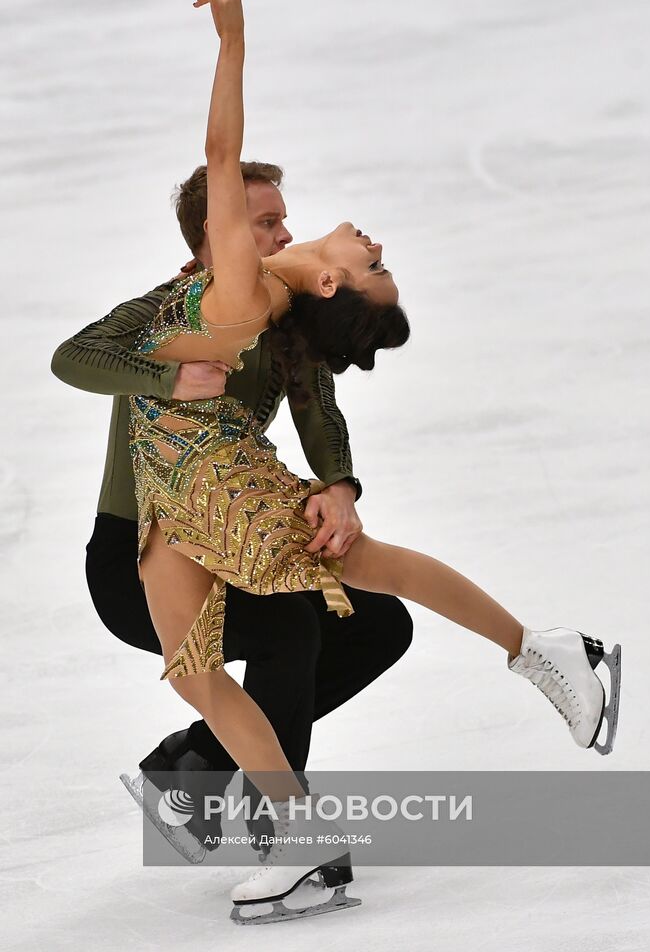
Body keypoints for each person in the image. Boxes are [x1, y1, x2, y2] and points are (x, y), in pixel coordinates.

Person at [105, 0, 619, 920]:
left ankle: (544, 649)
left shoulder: (241, 290)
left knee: (368, 569)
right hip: (168, 502)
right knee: (199, 674)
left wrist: (231, 41)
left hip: (218, 485)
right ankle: (303, 842)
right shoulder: (267, 298)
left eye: (370, 263)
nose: (367, 240)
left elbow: (220, 152)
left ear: (333, 286)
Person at [51, 160, 414, 868]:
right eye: (265, 222)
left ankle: (201, 765)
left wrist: (339, 485)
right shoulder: (173, 312)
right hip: (141, 561)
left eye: (283, 218)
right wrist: (167, 375)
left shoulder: (284, 315)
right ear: (214, 237)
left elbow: (318, 410)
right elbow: (75, 355)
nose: (285, 233)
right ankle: (283, 822)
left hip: (233, 540)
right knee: (285, 627)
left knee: (376, 623)